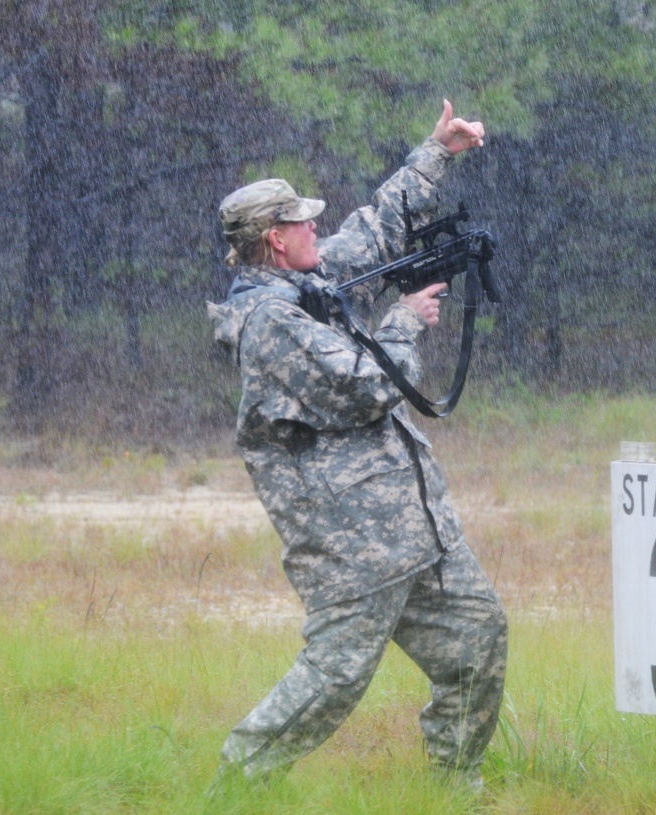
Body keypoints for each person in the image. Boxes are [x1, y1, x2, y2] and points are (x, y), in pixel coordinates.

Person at [206, 100, 507, 790]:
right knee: (332, 680)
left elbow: (373, 230)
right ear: (274, 240)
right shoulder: (267, 323)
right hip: (352, 547)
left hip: (413, 531)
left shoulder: (306, 283)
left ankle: (454, 789)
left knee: (479, 639)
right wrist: (403, 320)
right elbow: (366, 386)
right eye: (301, 220)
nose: (316, 224)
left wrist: (438, 150)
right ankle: (235, 784)